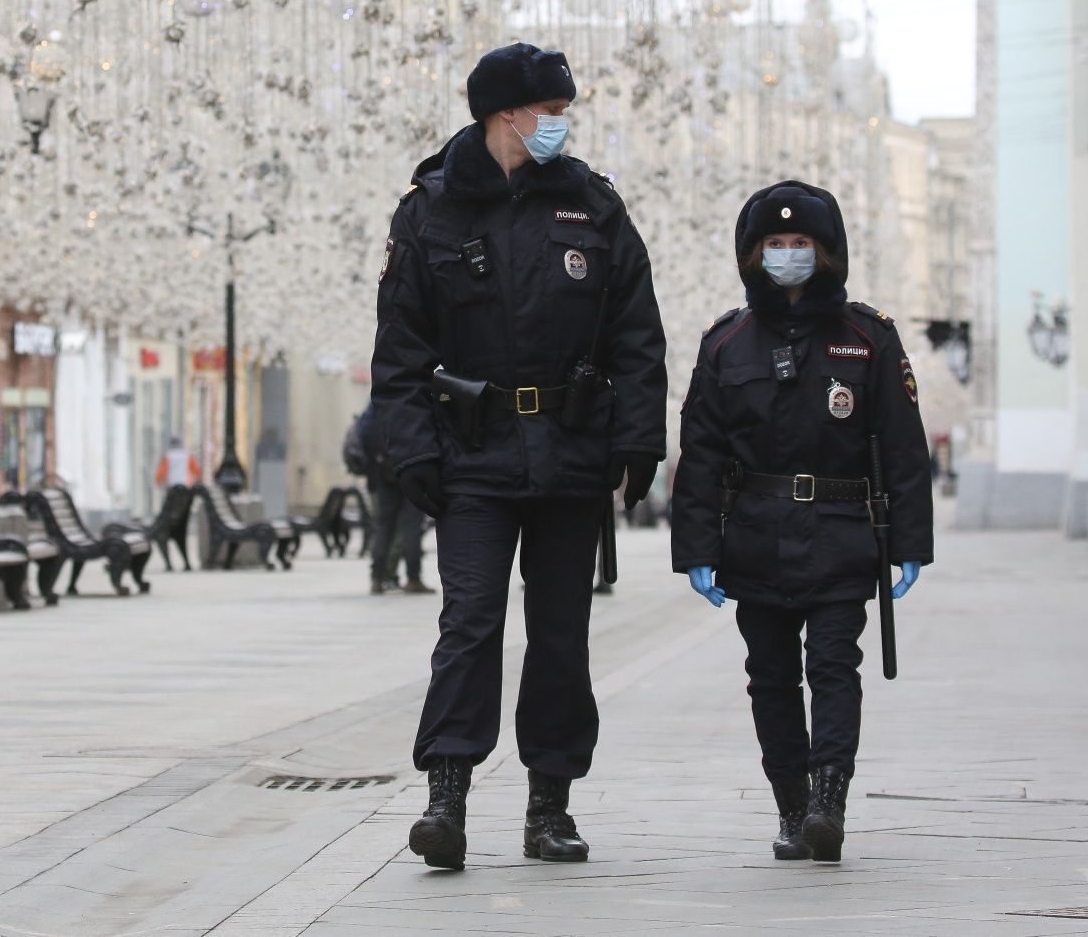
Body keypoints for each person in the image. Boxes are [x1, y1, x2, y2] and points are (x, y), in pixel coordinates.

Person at [372, 42, 670, 870]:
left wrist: (639, 439)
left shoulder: (592, 207)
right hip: (472, 454)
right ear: (506, 113)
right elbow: (400, 349)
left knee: (561, 635)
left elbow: (637, 334)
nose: (562, 125)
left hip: (571, 454)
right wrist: (411, 451)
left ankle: (550, 806)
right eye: (552, 112)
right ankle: (446, 798)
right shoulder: (430, 212)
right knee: (469, 624)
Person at [670, 180, 934, 864]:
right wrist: (696, 548)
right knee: (771, 677)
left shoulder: (866, 338)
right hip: (755, 533)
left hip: (841, 530)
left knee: (834, 667)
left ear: (826, 253)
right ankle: (791, 805)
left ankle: (828, 801)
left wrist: (909, 542)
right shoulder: (727, 343)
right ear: (753, 254)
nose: (788, 254)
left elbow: (904, 447)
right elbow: (701, 454)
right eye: (775, 243)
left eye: (801, 243)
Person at [354, 403, 431, 596]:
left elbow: (365, 432)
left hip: (385, 474)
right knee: (412, 527)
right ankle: (413, 578)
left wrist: (379, 459)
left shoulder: (380, 401)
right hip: (413, 469)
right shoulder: (416, 399)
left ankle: (377, 579)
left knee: (383, 527)